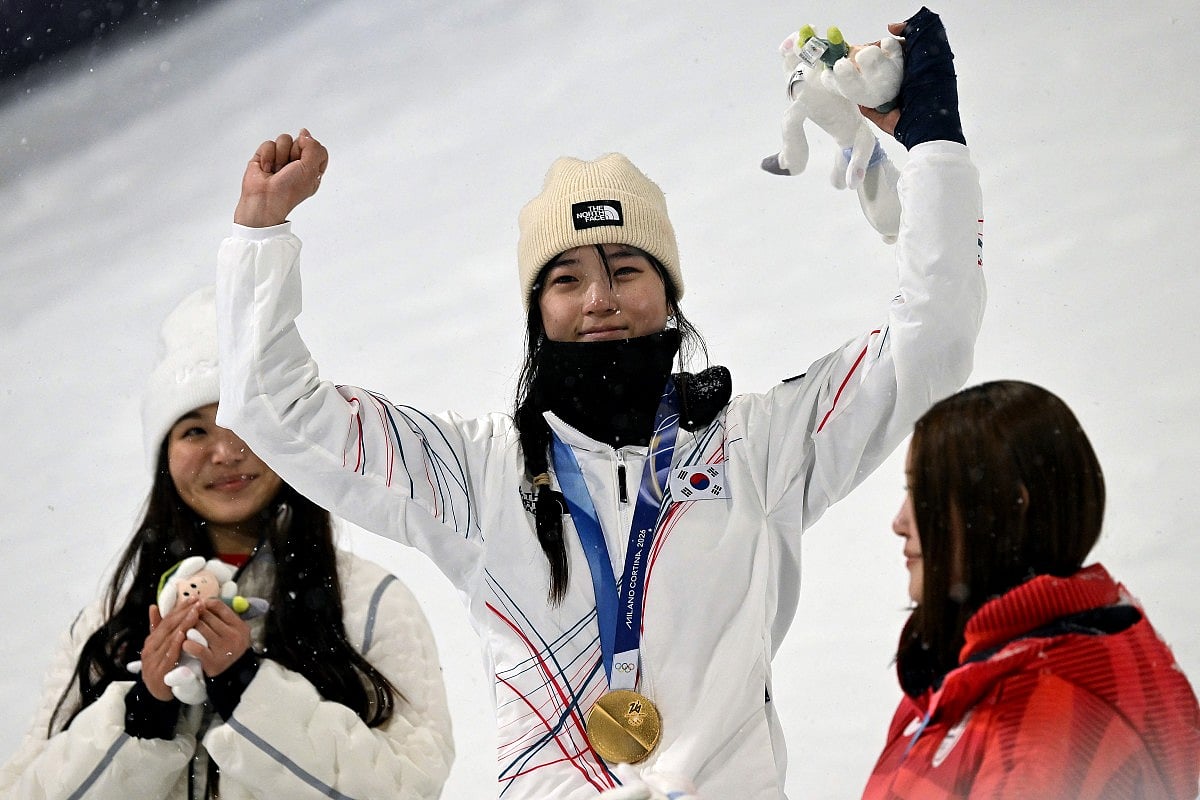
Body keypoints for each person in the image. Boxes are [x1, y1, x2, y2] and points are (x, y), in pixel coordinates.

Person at [214, 8, 984, 797]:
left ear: (669, 291)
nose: (600, 299)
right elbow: (275, 409)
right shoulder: (477, 475)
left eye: (626, 268)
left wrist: (932, 149)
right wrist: (259, 238)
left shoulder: (758, 446)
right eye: (566, 277)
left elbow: (931, 338)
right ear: (536, 310)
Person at [0, 287, 454, 799]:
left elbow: (409, 788)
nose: (224, 452)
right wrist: (145, 711)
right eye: (194, 431)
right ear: (165, 457)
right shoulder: (109, 620)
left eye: (243, 423)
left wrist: (247, 688)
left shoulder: (370, 602)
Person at [863, 380, 1200, 799]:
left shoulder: (1044, 726)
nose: (899, 522)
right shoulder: (972, 670)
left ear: (1005, 509)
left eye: (923, 493)